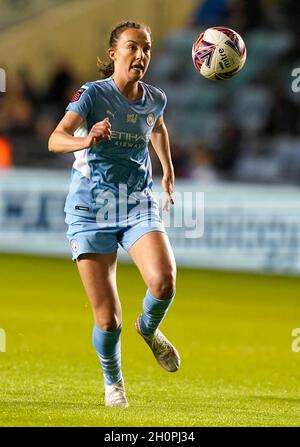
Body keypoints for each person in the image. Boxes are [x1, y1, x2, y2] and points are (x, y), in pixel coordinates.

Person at [48, 21, 180, 408]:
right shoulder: (92, 95)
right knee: (107, 319)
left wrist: (167, 169)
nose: (141, 55)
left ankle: (149, 328)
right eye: (132, 47)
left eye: (147, 48)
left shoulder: (155, 98)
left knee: (164, 282)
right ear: (114, 54)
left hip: (136, 201)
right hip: (90, 208)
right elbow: (55, 139)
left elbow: (156, 126)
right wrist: (85, 138)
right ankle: (114, 382)